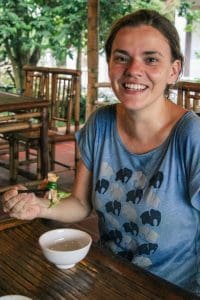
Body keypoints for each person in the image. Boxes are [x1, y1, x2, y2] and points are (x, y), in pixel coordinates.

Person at [2, 9, 200, 295]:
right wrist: (41, 206)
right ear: (110, 64)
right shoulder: (100, 123)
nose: (133, 70)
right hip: (109, 276)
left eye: (151, 59)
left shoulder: (191, 136)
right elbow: (81, 204)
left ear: (174, 70)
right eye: (121, 58)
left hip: (169, 290)